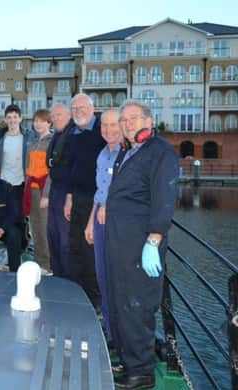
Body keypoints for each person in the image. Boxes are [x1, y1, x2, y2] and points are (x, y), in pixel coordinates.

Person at [106, 100, 178, 389]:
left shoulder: (160, 152)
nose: (127, 124)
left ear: (149, 119)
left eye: (133, 118)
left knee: (137, 306)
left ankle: (141, 373)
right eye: (123, 120)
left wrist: (155, 239)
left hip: (140, 243)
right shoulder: (129, 151)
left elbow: (164, 198)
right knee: (119, 302)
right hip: (119, 243)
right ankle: (126, 359)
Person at [63, 94, 105, 308]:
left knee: (91, 249)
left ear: (92, 108)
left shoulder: (101, 133)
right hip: (77, 198)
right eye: (74, 108)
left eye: (82, 107)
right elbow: (71, 167)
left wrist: (99, 206)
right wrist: (69, 198)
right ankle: (77, 293)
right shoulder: (73, 134)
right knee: (75, 247)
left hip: (96, 201)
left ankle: (95, 299)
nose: (78, 111)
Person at [84, 109, 122, 345]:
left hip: (117, 225)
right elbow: (99, 194)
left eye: (113, 125)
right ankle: (109, 331)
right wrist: (90, 222)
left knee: (117, 279)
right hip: (99, 222)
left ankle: (119, 335)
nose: (108, 130)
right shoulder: (102, 155)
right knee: (103, 277)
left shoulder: (126, 154)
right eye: (104, 125)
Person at [0, 104, 33, 251]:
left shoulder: (29, 136)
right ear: (5, 119)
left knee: (20, 216)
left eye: (15, 117)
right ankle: (7, 245)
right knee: (3, 215)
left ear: (20, 119)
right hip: (3, 181)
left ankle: (22, 247)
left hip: (21, 181)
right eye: (9, 117)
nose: (12, 120)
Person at [46, 103, 74, 278]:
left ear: (69, 115)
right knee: (53, 236)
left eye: (59, 115)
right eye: (53, 116)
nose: (55, 118)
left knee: (65, 241)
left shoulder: (73, 136)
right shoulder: (57, 135)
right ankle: (57, 275)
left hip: (67, 193)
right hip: (55, 190)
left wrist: (70, 197)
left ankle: (68, 280)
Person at [23, 109, 53, 273]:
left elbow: (52, 171)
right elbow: (28, 168)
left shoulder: (52, 142)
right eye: (36, 121)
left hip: (44, 191)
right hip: (32, 190)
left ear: (49, 123)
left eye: (42, 121)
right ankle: (39, 262)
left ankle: (48, 264)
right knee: (35, 228)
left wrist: (47, 195)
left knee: (45, 228)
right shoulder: (33, 143)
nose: (38, 124)